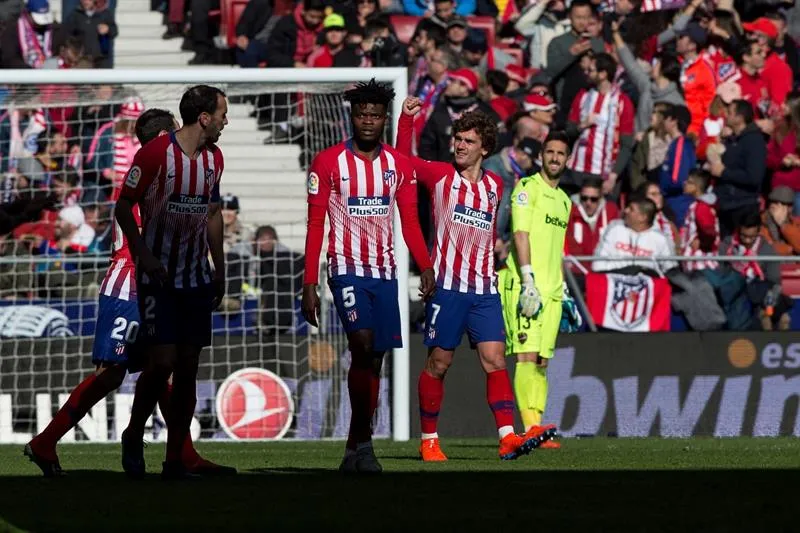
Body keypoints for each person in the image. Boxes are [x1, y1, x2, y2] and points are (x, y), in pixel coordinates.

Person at [23, 109, 231, 477]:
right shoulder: (147, 173)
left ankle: (176, 452)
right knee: (113, 373)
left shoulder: (178, 171)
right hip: (129, 283)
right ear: (163, 137)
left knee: (162, 367)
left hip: (163, 284)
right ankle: (47, 441)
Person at [398, 99, 550, 462]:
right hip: (447, 288)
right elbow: (403, 163)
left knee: (495, 360)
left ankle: (507, 436)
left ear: (485, 147)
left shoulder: (496, 185)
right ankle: (429, 440)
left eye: (468, 140)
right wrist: (407, 121)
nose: (460, 145)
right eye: (458, 139)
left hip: (484, 290)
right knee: (439, 364)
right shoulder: (440, 176)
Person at [300, 79, 436, 474]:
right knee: (361, 344)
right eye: (362, 114)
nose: (368, 122)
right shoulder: (327, 162)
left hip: (386, 273)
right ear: (352, 117)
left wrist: (425, 265)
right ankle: (362, 446)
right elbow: (314, 225)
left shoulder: (399, 166)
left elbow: (410, 221)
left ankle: (358, 445)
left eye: (375, 115)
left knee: (373, 360)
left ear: (384, 119)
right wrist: (310, 282)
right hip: (344, 270)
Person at [115, 85, 229, 480]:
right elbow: (123, 206)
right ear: (204, 118)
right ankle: (133, 432)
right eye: (222, 115)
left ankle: (174, 459)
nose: (225, 122)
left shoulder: (215, 159)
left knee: (189, 366)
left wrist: (220, 267)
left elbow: (212, 213)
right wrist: (143, 256)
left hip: (196, 276)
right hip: (160, 276)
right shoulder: (154, 154)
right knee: (161, 361)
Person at [498, 131, 576, 449]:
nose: (555, 158)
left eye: (561, 153)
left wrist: (563, 287)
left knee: (543, 361)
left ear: (567, 159)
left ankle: (539, 425)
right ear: (541, 155)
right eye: (550, 152)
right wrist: (528, 278)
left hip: (552, 291)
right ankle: (531, 427)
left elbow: (555, 248)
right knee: (526, 356)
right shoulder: (527, 189)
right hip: (526, 287)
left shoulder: (565, 201)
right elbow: (521, 235)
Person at [709, 99, 767, 238]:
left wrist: (724, 172)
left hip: (742, 206)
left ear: (740, 118)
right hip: (726, 204)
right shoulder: (732, 139)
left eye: (729, 112)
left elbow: (754, 177)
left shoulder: (754, 141)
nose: (725, 115)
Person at [592, 196, 678, 275]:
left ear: (642, 217)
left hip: (646, 286)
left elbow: (671, 270)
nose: (626, 210)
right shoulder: (614, 228)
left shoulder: (661, 239)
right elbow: (598, 264)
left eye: (631, 209)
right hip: (614, 282)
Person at [679, 169, 720, 272]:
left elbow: (709, 231)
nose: (685, 183)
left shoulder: (702, 207)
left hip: (700, 262)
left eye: (689, 182)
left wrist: (701, 242)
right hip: (695, 259)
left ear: (696, 187)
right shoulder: (698, 205)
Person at [760, 186, 800, 256]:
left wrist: (783, 225)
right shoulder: (761, 223)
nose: (778, 208)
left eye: (783, 204)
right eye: (774, 203)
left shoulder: (796, 223)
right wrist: (789, 249)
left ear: (790, 208)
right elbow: (767, 249)